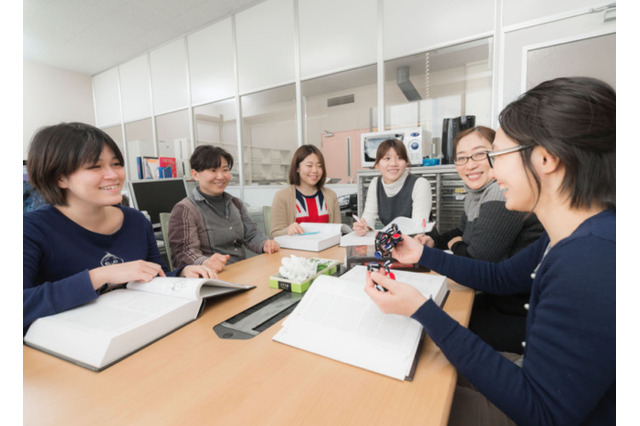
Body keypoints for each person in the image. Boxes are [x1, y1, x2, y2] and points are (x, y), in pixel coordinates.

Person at [364, 77, 615, 425]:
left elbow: (541, 412)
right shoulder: (568, 236)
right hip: (539, 386)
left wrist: (422, 309)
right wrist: (421, 255)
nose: (491, 171)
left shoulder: (592, 260)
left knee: (402, 400)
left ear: (546, 158)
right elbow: (499, 276)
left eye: (495, 156)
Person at [23, 122, 215, 334]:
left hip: (133, 334)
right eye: (95, 166)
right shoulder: (31, 229)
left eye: (116, 164)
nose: (114, 175)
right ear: (59, 177)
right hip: (67, 349)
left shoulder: (136, 221)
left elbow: (154, 277)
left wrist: (182, 274)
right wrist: (100, 276)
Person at [416, 126, 543, 354]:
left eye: (480, 154)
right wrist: (434, 241)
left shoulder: (501, 194)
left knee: (430, 333)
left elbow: (479, 260)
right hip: (502, 295)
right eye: (462, 158)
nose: (470, 164)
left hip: (520, 311)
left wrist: (455, 245)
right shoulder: (475, 194)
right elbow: (461, 231)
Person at [169, 145, 279, 270]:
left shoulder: (235, 203)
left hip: (241, 271)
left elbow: (251, 234)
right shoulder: (185, 209)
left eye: (225, 170)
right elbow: (182, 252)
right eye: (213, 170)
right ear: (195, 175)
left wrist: (265, 243)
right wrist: (205, 262)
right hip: (212, 277)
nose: (221, 176)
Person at [353, 139, 432, 236]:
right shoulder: (375, 183)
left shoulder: (420, 184)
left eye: (399, 158)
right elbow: (368, 218)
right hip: (395, 242)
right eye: (387, 158)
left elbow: (418, 229)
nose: (393, 163)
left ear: (406, 163)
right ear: (377, 165)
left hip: (421, 243)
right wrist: (363, 227)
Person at [270, 144, 341, 237]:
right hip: (295, 250)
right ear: (297, 168)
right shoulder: (282, 196)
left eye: (319, 166)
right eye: (309, 165)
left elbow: (338, 230)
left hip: (326, 250)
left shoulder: (331, 195)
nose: (315, 170)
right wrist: (288, 230)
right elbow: (274, 235)